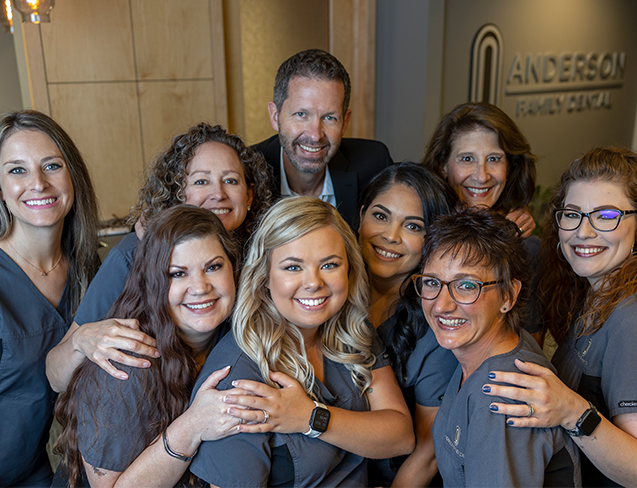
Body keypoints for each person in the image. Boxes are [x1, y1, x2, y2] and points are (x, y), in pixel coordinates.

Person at [189, 197, 414, 487]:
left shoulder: (351, 331)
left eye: (330, 264)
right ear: (264, 276)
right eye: (293, 267)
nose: (313, 283)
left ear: (349, 270)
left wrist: (312, 418)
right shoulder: (238, 378)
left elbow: (401, 436)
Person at [45, 122, 271, 392]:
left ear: (249, 194)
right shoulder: (133, 254)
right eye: (201, 181)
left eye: (231, 180)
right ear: (177, 192)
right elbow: (56, 377)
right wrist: (81, 340)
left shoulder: (261, 257)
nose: (218, 193)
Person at [53, 205, 245, 487]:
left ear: (233, 268)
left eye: (213, 267)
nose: (201, 287)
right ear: (153, 283)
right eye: (177, 273)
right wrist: (192, 426)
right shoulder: (126, 365)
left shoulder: (234, 338)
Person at [484, 148, 637, 487]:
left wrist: (572, 411)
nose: (583, 232)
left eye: (607, 215)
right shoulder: (594, 294)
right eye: (572, 214)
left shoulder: (630, 318)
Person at [415, 208, 580, 487]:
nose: (441, 305)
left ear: (509, 295)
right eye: (432, 282)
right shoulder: (486, 348)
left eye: (467, 285)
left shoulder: (500, 397)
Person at [0, 110, 100, 487]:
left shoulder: (90, 268)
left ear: (72, 176)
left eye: (51, 165)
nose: (38, 183)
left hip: (74, 475)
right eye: (17, 170)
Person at [357, 163, 459, 486]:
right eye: (381, 216)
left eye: (413, 226)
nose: (390, 235)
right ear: (360, 216)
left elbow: (428, 452)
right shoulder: (325, 293)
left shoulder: (436, 323)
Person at [422, 102, 543, 338]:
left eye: (494, 159)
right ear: (442, 165)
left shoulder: (526, 248)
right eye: (467, 158)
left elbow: (530, 341)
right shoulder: (418, 229)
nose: (481, 175)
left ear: (510, 166)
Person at [253, 48, 393, 229]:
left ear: (344, 122)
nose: (315, 135)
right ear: (275, 116)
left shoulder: (374, 164)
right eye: (301, 114)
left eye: (329, 118)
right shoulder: (247, 169)